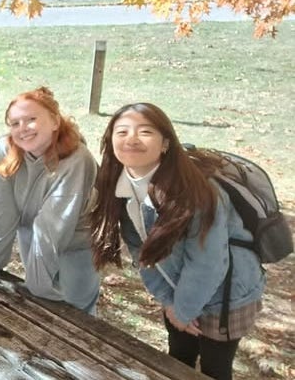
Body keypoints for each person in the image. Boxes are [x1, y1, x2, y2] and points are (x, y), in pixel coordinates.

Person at [90, 103, 266, 380]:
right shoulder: (121, 185)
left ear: (165, 144)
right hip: (178, 290)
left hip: (227, 294)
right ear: (110, 141)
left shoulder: (197, 191)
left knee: (214, 369)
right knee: (178, 359)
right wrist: (169, 302)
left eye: (145, 131)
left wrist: (183, 311)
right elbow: (142, 252)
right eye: (121, 131)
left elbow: (208, 262)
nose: (131, 139)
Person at [0, 87, 100, 314]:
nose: (22, 129)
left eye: (31, 119)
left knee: (75, 315)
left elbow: (51, 226)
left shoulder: (77, 159)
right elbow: (4, 211)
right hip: (33, 238)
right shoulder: (4, 150)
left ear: (55, 121)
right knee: (41, 310)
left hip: (76, 248)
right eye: (15, 123)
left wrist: (37, 286)